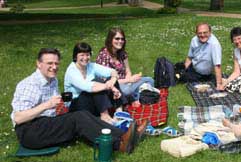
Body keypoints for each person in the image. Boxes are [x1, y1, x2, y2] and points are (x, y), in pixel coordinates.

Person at [11, 48, 146, 153]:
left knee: (83, 115)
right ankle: (120, 144)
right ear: (38, 64)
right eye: (49, 63)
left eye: (56, 63)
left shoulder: (52, 79)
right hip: (29, 131)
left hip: (46, 123)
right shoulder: (29, 84)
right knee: (78, 118)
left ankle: (126, 136)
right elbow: (18, 118)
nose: (54, 67)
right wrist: (47, 105)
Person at [64, 42, 123, 124]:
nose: (85, 58)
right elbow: (88, 86)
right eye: (82, 55)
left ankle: (118, 112)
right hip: (76, 105)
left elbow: (112, 71)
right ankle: (104, 115)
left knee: (110, 79)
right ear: (75, 56)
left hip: (91, 101)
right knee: (97, 84)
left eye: (87, 55)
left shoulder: (91, 66)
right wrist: (111, 87)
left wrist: (112, 81)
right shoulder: (71, 71)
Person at [96, 27, 154, 107]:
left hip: (127, 82)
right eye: (117, 38)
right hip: (113, 86)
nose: (120, 41)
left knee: (150, 80)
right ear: (110, 40)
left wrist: (130, 81)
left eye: (122, 39)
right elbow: (106, 81)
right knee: (126, 90)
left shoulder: (122, 53)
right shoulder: (104, 55)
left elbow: (128, 70)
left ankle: (135, 96)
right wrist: (129, 80)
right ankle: (135, 97)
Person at [183, 22, 224, 90]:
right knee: (177, 72)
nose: (202, 35)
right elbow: (190, 57)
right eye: (200, 33)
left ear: (210, 32)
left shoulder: (214, 45)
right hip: (193, 67)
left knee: (184, 79)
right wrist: (183, 70)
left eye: (205, 32)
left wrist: (219, 84)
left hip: (204, 75)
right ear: (196, 33)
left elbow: (217, 65)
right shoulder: (194, 40)